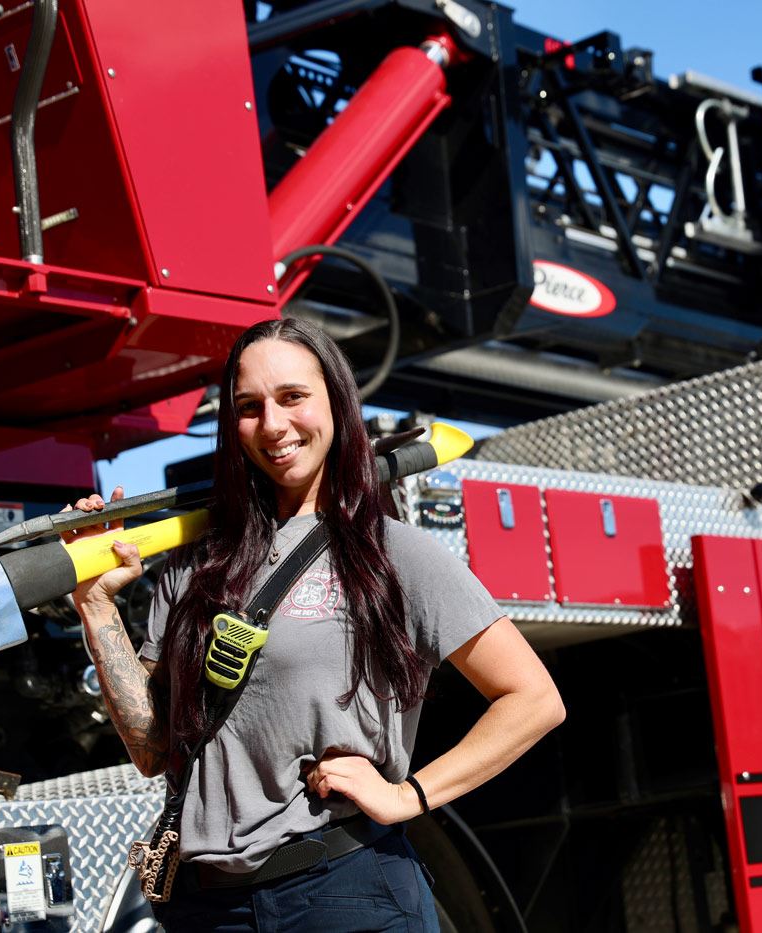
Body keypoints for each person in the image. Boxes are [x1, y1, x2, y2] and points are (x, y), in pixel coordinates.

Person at [68, 317, 565, 930]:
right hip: (210, 909)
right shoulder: (197, 567)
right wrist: (96, 610)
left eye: (293, 397)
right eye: (249, 406)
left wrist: (405, 797)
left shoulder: (391, 553)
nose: (273, 425)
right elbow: (153, 751)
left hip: (343, 892)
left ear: (336, 400)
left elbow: (533, 699)